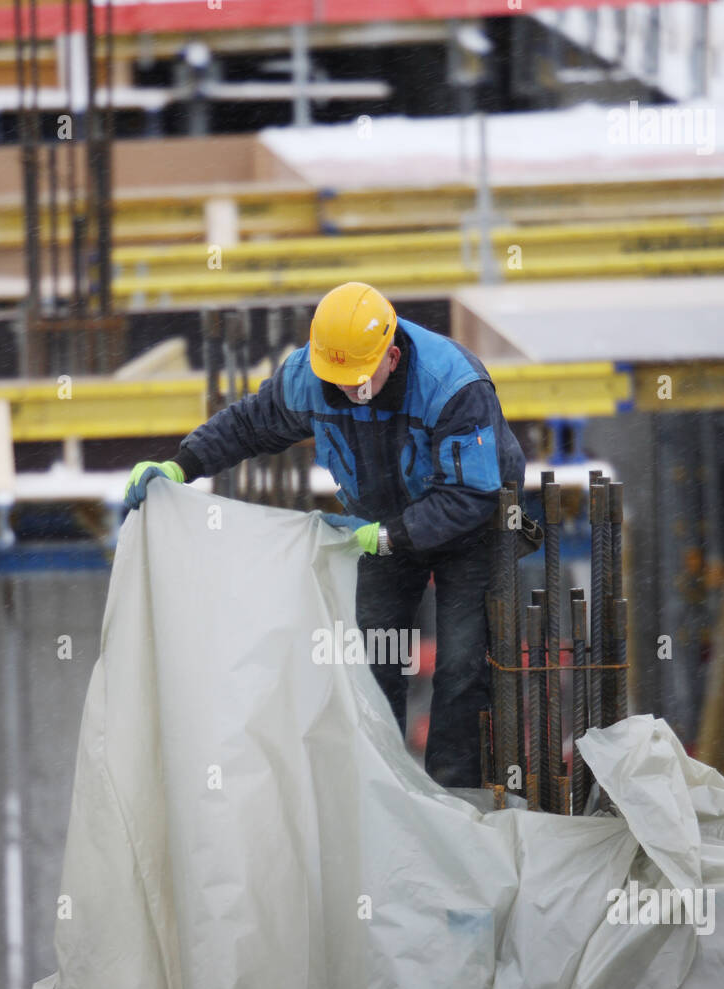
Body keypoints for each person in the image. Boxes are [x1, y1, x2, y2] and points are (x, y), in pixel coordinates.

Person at [124, 281, 539, 787]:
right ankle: (379, 798)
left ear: (391, 355)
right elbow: (251, 425)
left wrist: (389, 536)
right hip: (382, 526)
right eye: (337, 380)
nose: (348, 391)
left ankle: (459, 803)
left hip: (474, 525)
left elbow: (471, 495)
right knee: (372, 662)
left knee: (463, 667)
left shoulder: (451, 385)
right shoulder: (314, 375)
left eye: (358, 379)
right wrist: (180, 465)